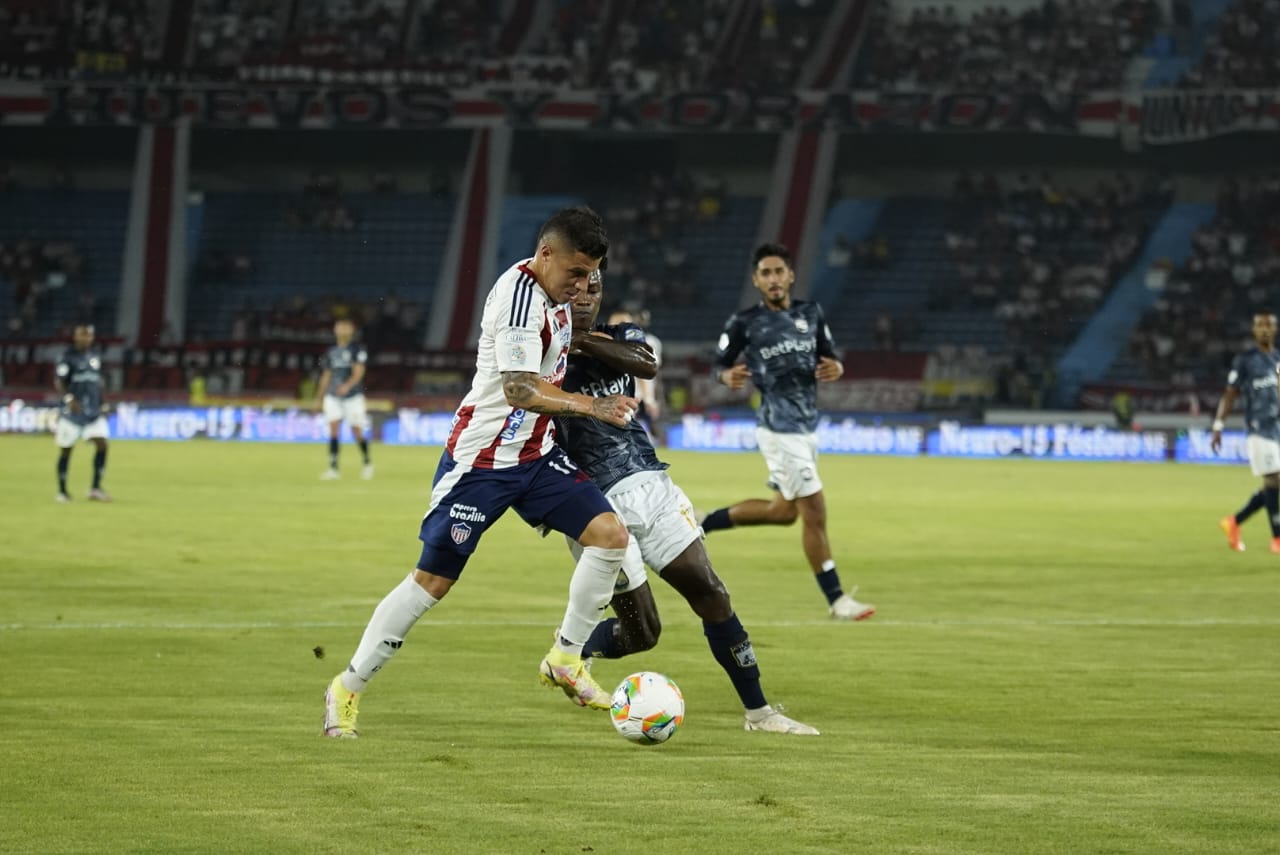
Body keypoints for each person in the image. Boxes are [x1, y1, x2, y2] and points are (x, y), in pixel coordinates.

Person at [323, 206, 639, 738]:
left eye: (593, 276)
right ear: (545, 255)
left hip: (535, 456)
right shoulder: (519, 302)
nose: (585, 287)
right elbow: (518, 389)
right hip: (482, 462)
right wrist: (593, 406)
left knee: (609, 536)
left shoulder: (561, 291)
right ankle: (347, 687)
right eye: (577, 274)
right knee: (432, 582)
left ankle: (567, 657)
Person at [555, 270, 820, 734]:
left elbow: (644, 362)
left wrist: (577, 340)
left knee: (712, 593)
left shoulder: (620, 336)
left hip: (652, 485)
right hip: (594, 504)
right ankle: (570, 653)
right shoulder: (537, 350)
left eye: (594, 289)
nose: (585, 296)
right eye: (576, 288)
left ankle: (759, 713)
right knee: (644, 634)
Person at [699, 243, 875, 621]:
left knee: (783, 512)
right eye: (766, 273)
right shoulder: (745, 323)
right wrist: (725, 375)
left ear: (791, 275)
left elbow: (831, 356)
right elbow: (718, 364)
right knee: (815, 509)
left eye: (779, 271)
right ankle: (837, 600)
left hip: (807, 427)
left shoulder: (811, 314)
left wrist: (837, 368)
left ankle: (702, 522)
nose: (774, 279)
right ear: (756, 280)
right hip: (779, 429)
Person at [1212, 312, 1280, 552]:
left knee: (1273, 485)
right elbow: (1230, 394)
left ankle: (1234, 522)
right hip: (1258, 428)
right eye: (1260, 325)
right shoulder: (1245, 361)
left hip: (1277, 429)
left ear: (1275, 329)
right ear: (1253, 330)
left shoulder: (1278, 360)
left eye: (1269, 325)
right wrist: (1218, 426)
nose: (1264, 330)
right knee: (1274, 479)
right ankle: (1277, 539)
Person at [53, 324, 111, 502]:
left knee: (102, 444)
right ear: (75, 337)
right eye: (82, 335)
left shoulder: (94, 356)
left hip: (92, 412)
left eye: (88, 335)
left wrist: (104, 403)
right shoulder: (67, 357)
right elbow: (59, 381)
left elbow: (98, 383)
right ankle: (62, 492)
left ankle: (95, 488)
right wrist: (69, 399)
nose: (86, 338)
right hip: (72, 413)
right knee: (66, 450)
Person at [315, 318, 373, 480]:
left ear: (352, 330)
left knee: (356, 430)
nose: (343, 330)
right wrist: (319, 398)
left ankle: (367, 463)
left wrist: (347, 385)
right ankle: (333, 468)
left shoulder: (357, 350)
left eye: (346, 327)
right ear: (335, 330)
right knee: (333, 429)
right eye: (340, 327)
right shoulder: (331, 352)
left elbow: (359, 371)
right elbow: (326, 375)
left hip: (353, 396)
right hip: (333, 396)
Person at [607, 307, 664, 444]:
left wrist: (650, 398)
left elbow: (644, 374)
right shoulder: (607, 343)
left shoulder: (642, 344)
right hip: (616, 395)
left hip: (631, 395)